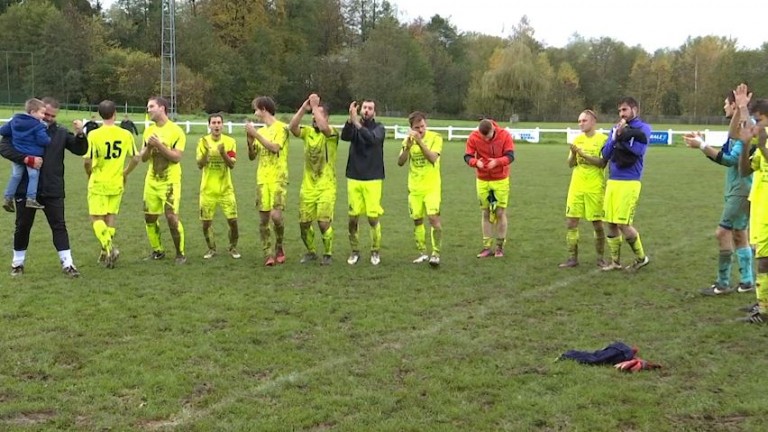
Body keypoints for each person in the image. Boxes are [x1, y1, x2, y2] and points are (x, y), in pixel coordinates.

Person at [0, 97, 87, 277]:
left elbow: (80, 150)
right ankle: (17, 263)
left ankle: (68, 264)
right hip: (25, 187)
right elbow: (4, 147)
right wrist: (25, 159)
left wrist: (80, 134)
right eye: (45, 113)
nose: (47, 117)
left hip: (52, 188)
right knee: (22, 226)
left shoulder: (61, 133)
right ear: (38, 110)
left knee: (59, 226)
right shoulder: (22, 126)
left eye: (52, 115)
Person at [682, 90, 754, 295]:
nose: (723, 107)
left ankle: (723, 284)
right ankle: (747, 281)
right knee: (740, 234)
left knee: (722, 232)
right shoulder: (737, 131)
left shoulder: (744, 131)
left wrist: (702, 145)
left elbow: (731, 160)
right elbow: (723, 155)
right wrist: (702, 146)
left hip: (740, 190)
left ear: (733, 106)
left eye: (726, 104)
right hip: (739, 189)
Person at [83, 100, 141, 268]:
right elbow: (136, 158)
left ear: (100, 115)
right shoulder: (125, 134)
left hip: (99, 181)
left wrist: (89, 174)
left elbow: (87, 161)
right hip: (117, 182)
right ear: (115, 114)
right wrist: (125, 172)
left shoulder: (94, 135)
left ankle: (110, 248)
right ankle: (105, 253)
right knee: (110, 217)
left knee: (96, 218)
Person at [600, 97, 651, 272]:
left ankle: (641, 258)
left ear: (634, 109)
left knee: (623, 223)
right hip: (613, 180)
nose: (622, 114)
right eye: (620, 111)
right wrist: (615, 137)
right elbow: (605, 153)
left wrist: (623, 137)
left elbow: (638, 151)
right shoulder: (615, 129)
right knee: (611, 223)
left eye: (625, 110)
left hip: (630, 181)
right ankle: (615, 262)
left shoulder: (643, 129)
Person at [289, 93, 339, 266]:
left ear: (326, 117)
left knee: (323, 222)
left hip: (326, 186)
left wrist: (316, 107)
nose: (314, 119)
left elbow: (324, 128)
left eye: (318, 116)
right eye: (313, 116)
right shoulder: (308, 132)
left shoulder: (332, 134)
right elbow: (292, 127)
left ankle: (328, 253)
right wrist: (305, 108)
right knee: (303, 223)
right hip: (308, 186)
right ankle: (311, 252)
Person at [735, 84, 768, 323]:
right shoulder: (762, 144)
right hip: (759, 208)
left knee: (764, 260)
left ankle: (764, 311)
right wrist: (747, 144)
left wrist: (762, 144)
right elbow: (745, 170)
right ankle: (762, 302)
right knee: (762, 256)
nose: (755, 124)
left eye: (759, 120)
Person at [559, 109, 608, 268]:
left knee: (597, 224)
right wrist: (574, 154)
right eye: (579, 121)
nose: (580, 123)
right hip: (577, 185)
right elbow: (571, 164)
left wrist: (582, 154)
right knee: (571, 222)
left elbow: (602, 163)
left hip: (594, 187)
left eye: (584, 121)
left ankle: (600, 258)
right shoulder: (577, 139)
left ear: (593, 122)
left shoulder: (603, 140)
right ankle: (573, 258)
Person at [141, 96, 187, 264]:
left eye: (151, 106)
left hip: (170, 182)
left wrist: (160, 146)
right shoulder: (148, 131)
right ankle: (157, 251)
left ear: (162, 108)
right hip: (152, 181)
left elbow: (176, 158)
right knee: (150, 218)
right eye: (148, 107)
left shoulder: (176, 131)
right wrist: (149, 147)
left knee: (171, 218)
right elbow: (143, 158)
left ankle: (180, 253)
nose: (149, 109)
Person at [341, 99, 386, 265]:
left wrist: (357, 124)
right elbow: (345, 136)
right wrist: (349, 120)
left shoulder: (379, 128)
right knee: (352, 218)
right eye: (364, 108)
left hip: (373, 178)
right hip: (354, 177)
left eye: (370, 108)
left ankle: (375, 251)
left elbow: (372, 139)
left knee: (372, 218)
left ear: (375, 112)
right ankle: (355, 251)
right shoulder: (353, 126)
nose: (367, 111)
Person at [245, 96, 289, 266]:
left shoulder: (282, 128)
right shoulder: (261, 131)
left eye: (256, 109)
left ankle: (279, 246)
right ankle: (267, 252)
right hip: (262, 179)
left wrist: (255, 134)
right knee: (264, 219)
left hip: (278, 178)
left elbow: (274, 148)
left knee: (276, 217)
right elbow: (252, 156)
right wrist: (250, 142)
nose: (255, 113)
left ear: (263, 109)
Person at [397, 111, 443, 267]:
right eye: (417, 128)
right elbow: (400, 162)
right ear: (411, 128)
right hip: (414, 187)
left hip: (431, 187)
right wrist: (407, 148)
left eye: (422, 126)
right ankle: (423, 253)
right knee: (417, 219)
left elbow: (432, 158)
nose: (421, 130)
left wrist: (420, 142)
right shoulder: (407, 140)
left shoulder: (435, 138)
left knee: (433, 218)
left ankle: (436, 253)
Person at [463, 118, 515, 258]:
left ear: (493, 129)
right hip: (482, 180)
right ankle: (486, 247)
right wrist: (475, 163)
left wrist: (497, 162)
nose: (486, 140)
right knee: (485, 212)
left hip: (500, 179)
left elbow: (510, 156)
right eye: (483, 137)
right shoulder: (473, 137)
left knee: (499, 213)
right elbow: (467, 156)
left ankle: (499, 247)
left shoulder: (504, 135)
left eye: (488, 136)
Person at [196, 113, 240, 260]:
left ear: (222, 125)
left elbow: (232, 164)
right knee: (206, 223)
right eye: (213, 123)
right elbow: (199, 164)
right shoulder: (202, 141)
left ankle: (233, 247)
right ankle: (211, 249)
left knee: (233, 222)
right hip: (207, 190)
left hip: (226, 189)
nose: (216, 125)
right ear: (209, 125)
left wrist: (222, 153)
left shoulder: (230, 141)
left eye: (219, 123)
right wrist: (206, 153)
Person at [2, 98, 50, 211]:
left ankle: (8, 198)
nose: (43, 116)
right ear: (33, 112)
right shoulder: (38, 125)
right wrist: (47, 137)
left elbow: (3, 131)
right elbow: (43, 141)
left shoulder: (15, 120)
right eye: (42, 113)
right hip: (33, 155)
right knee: (33, 176)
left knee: (15, 176)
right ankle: (31, 198)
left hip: (18, 154)